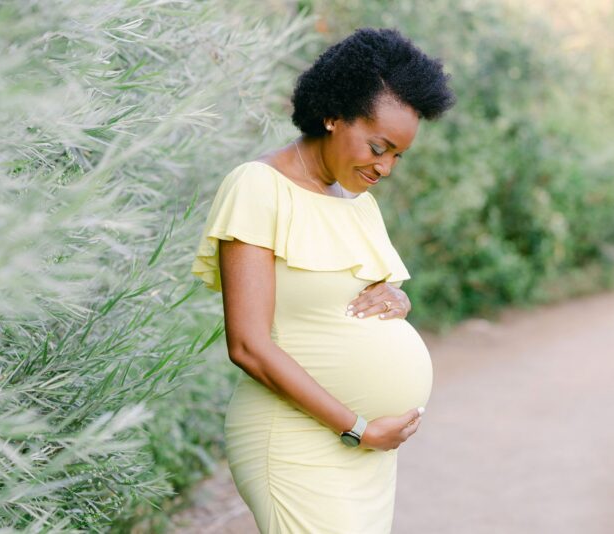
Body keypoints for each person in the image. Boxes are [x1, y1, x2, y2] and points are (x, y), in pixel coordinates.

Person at [191, 27, 454, 534]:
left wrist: (396, 300)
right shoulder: (259, 187)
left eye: (398, 154)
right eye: (379, 147)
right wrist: (357, 428)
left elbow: (352, 302)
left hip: (369, 453)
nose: (387, 167)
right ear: (332, 114)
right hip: (301, 441)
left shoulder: (359, 206)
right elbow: (247, 345)